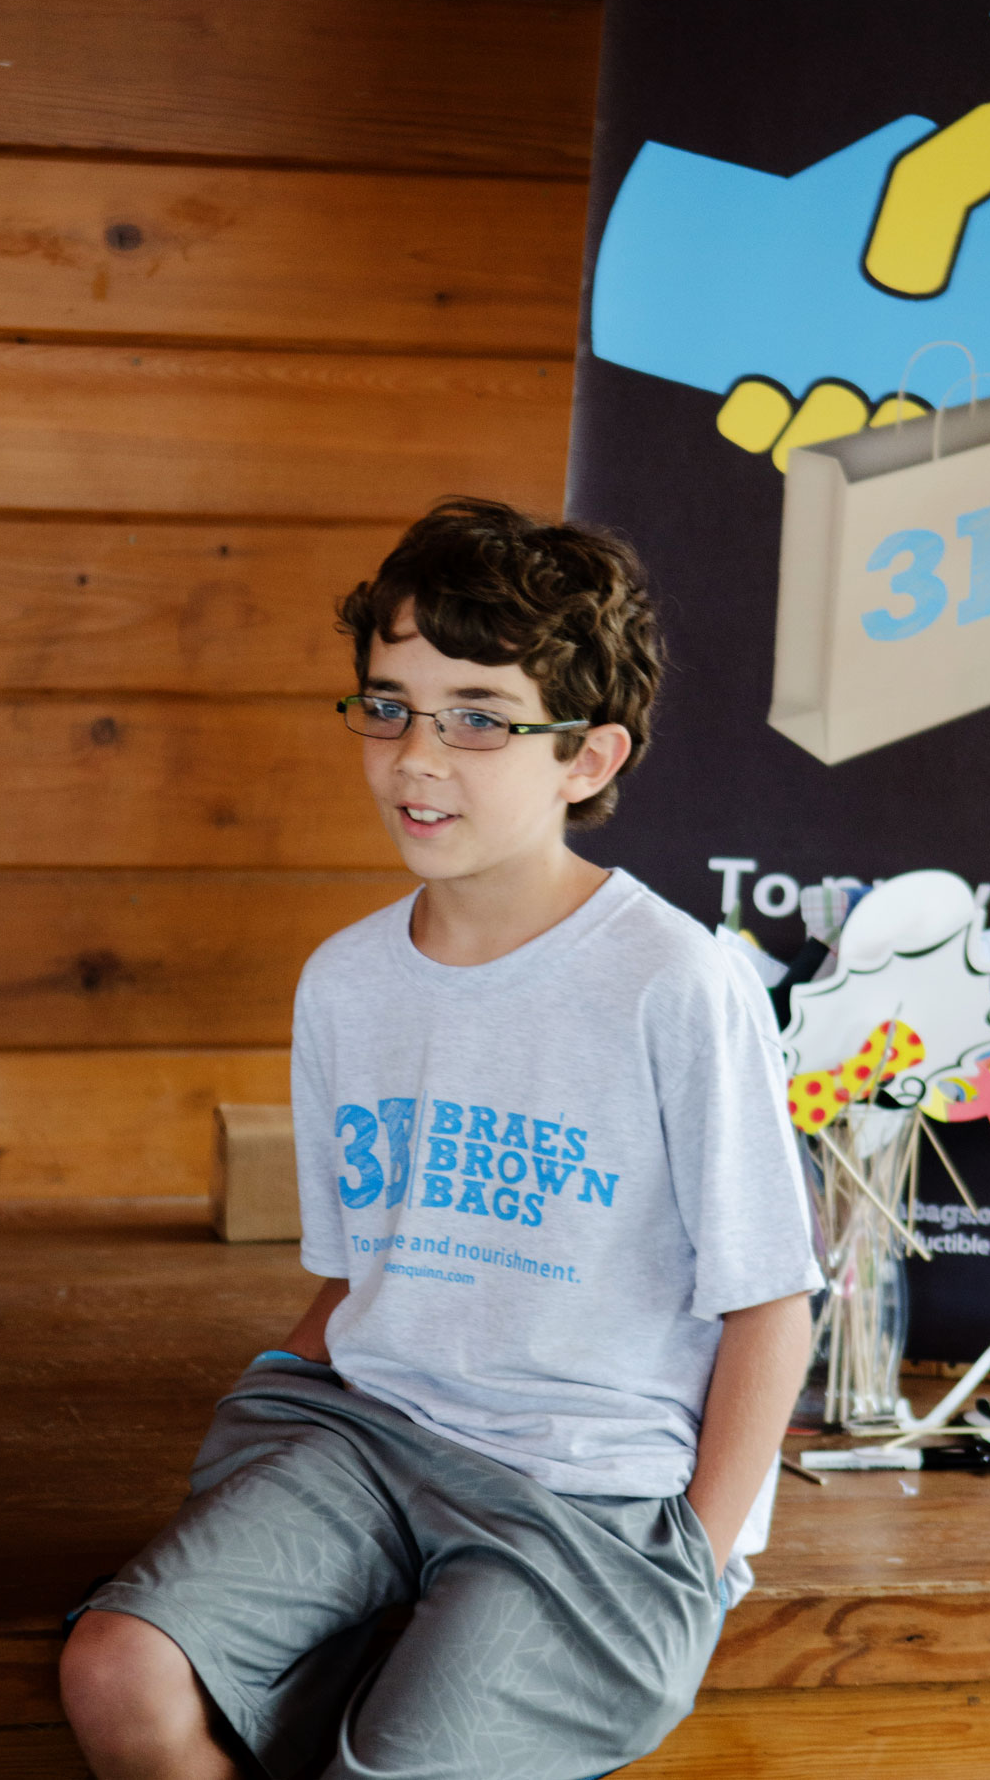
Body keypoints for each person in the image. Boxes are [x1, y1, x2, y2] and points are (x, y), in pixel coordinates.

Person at [60, 497, 823, 1780]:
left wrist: (697, 1550)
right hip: (365, 1438)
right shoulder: (345, 981)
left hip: (583, 1491)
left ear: (586, 758)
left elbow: (769, 1305)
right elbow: (358, 1270)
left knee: (396, 1761)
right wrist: (269, 1415)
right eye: (389, 705)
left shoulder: (675, 981)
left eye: (477, 717)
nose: (416, 757)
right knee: (115, 1668)